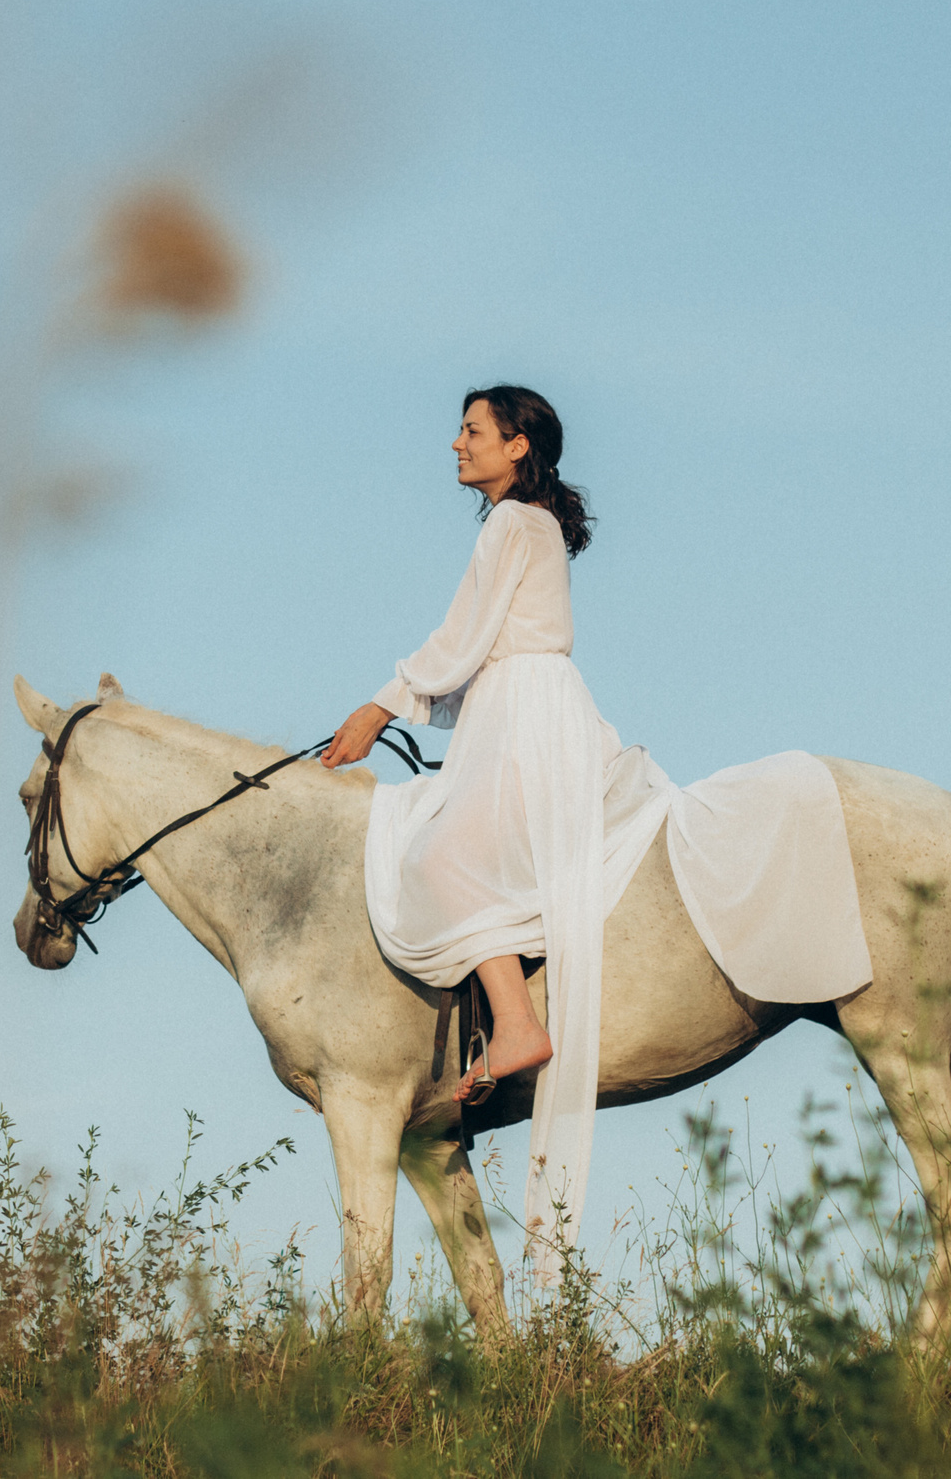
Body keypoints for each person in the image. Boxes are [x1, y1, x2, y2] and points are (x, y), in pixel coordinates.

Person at [320, 383, 623, 1258]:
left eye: (473, 430)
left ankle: (515, 1024)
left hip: (526, 711)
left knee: (442, 857)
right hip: (521, 706)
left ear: (518, 445)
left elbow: (461, 640)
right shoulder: (528, 525)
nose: (456, 444)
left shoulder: (510, 525)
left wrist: (382, 705)